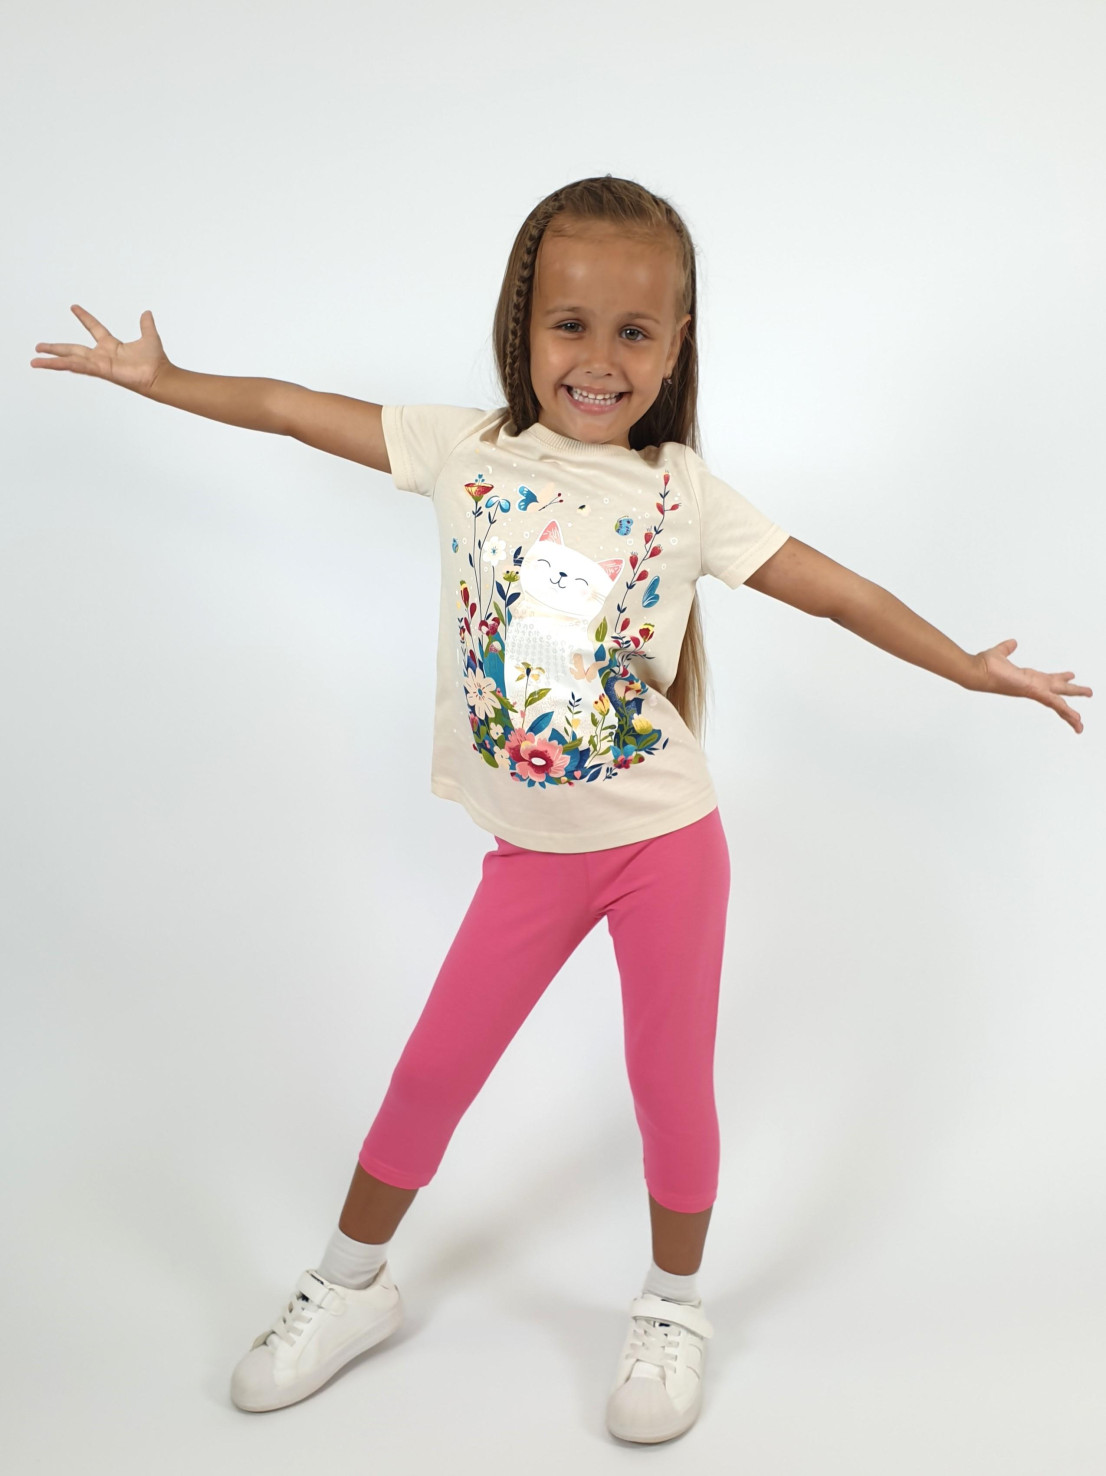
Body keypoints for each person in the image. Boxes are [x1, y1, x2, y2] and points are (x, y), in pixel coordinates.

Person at [31, 173, 1091, 1446]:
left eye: (633, 332)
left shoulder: (683, 496)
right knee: (433, 1070)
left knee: (668, 1089)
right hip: (532, 856)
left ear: (674, 346)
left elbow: (834, 592)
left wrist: (965, 667)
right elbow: (292, 411)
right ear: (522, 327)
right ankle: (350, 1284)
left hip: (664, 847)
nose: (598, 358)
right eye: (569, 324)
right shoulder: (463, 451)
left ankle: (673, 1306)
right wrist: (165, 380)